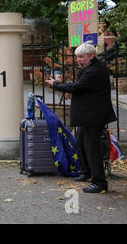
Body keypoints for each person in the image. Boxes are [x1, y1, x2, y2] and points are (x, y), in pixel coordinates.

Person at [46, 41, 116, 193]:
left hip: (93, 115)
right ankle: (86, 172)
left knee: (92, 149)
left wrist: (56, 84)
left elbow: (76, 87)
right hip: (89, 114)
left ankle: (99, 183)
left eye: (82, 57)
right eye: (77, 57)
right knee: (81, 143)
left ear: (91, 56)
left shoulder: (93, 71)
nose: (78, 60)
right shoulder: (91, 67)